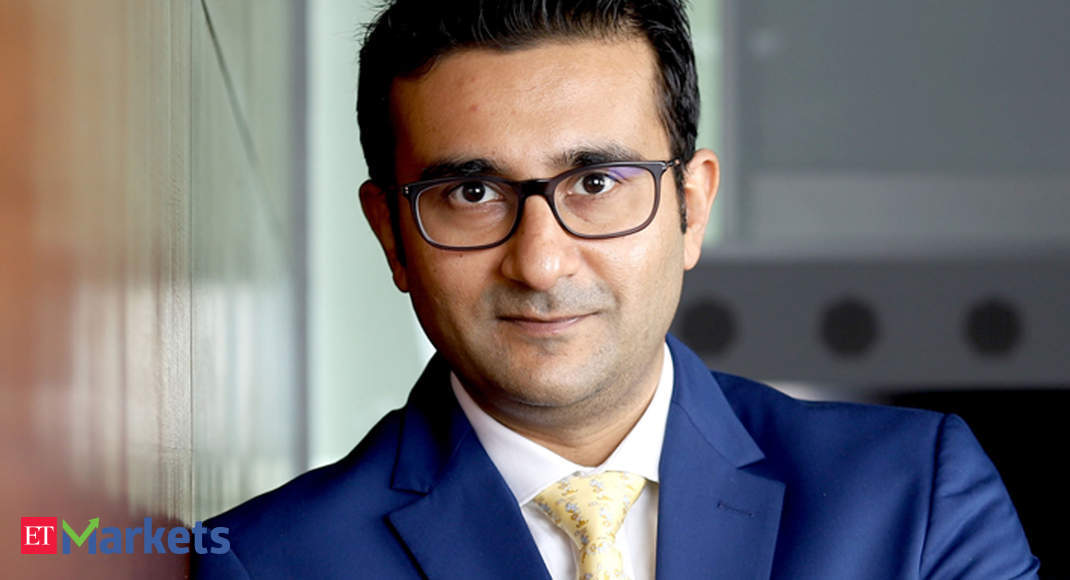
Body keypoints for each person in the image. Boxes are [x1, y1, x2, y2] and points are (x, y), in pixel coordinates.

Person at [194, 1, 1038, 578]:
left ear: (692, 207)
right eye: (472, 192)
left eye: (596, 183)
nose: (540, 264)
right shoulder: (270, 563)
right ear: (391, 236)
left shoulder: (914, 497)